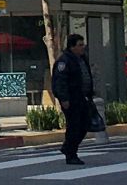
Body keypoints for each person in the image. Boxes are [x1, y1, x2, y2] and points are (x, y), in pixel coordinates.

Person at [51, 33, 96, 165]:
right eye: (80, 45)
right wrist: (64, 98)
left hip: (83, 98)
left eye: (83, 44)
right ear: (72, 47)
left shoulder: (82, 59)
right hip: (72, 99)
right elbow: (60, 81)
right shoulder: (64, 61)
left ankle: (68, 147)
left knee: (85, 124)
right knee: (74, 127)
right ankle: (71, 154)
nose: (83, 47)